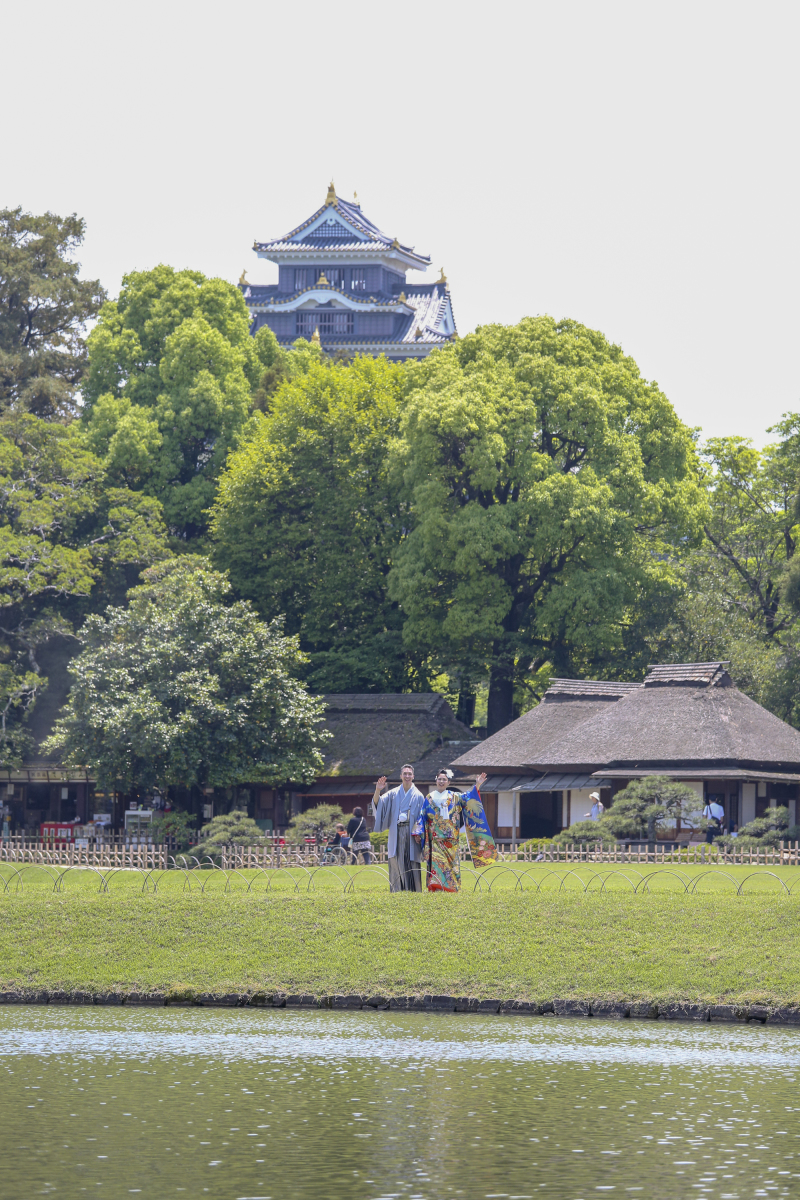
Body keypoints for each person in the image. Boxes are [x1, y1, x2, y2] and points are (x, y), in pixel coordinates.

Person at [412, 769, 489, 893]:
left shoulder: (455, 796)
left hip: (451, 839)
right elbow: (422, 815)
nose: (441, 781)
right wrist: (418, 832)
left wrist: (478, 784)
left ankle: (451, 888)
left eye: (444, 779)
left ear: (448, 782)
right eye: (439, 779)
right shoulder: (429, 798)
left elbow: (469, 797)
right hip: (435, 838)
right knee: (437, 863)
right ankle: (437, 887)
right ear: (436, 780)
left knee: (451, 864)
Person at [372, 764, 425, 892]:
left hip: (411, 833)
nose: (407, 776)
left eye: (409, 774)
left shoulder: (419, 795)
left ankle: (413, 890)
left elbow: (422, 818)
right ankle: (397, 890)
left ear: (413, 776)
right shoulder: (393, 793)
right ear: (401, 776)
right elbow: (379, 804)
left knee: (411, 859)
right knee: (396, 859)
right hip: (396, 831)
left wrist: (419, 833)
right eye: (405, 774)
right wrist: (378, 790)